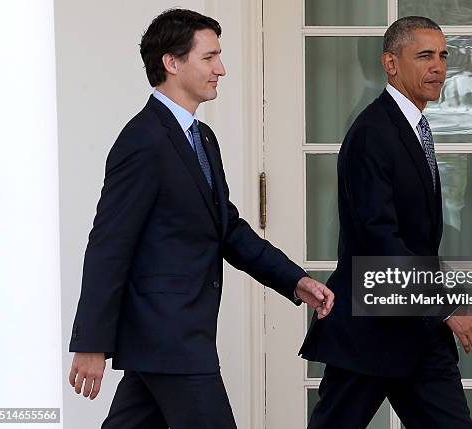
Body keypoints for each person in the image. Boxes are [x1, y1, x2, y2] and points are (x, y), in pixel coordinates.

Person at [67, 8, 334, 429]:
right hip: (171, 338)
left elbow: (226, 227)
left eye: (220, 57)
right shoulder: (143, 140)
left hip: (170, 338)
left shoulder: (201, 136)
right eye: (209, 58)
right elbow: (108, 244)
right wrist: (91, 343)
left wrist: (293, 280)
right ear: (172, 63)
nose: (221, 69)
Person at [300, 16, 472, 429]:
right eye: (424, 56)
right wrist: (447, 308)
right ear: (390, 63)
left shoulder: (413, 127)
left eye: (443, 55)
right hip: (370, 330)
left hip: (416, 333)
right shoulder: (373, 132)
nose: (438, 67)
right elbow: (379, 238)